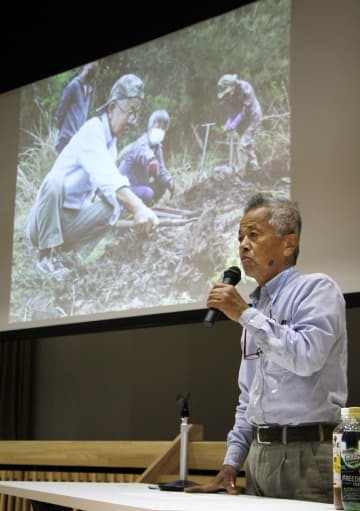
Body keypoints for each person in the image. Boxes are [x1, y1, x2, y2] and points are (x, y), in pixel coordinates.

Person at [186, 192, 348, 503]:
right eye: (240, 237)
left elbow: (306, 357)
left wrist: (246, 315)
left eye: (254, 235)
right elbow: (250, 398)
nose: (243, 244)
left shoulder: (316, 289)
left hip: (308, 454)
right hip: (259, 458)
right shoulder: (256, 308)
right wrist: (231, 463)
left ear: (289, 244)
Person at [26, 73, 159, 281]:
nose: (132, 121)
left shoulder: (112, 148)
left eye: (137, 114)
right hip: (43, 221)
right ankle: (45, 257)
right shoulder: (92, 130)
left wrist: (132, 208)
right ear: (112, 107)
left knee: (112, 204)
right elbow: (107, 176)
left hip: (69, 221)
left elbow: (108, 190)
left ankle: (69, 257)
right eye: (130, 111)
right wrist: (139, 207)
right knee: (54, 181)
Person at [118, 109, 175, 206]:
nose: (160, 130)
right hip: (125, 187)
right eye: (158, 126)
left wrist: (169, 180)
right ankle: (131, 207)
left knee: (162, 184)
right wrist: (151, 160)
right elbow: (144, 154)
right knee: (148, 193)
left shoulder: (157, 147)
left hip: (139, 185)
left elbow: (161, 169)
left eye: (163, 128)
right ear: (150, 126)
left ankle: (145, 205)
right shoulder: (141, 143)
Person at [217, 73, 262, 172]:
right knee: (248, 144)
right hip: (241, 120)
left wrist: (235, 123)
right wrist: (228, 122)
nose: (227, 94)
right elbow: (230, 111)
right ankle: (255, 169)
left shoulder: (246, 88)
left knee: (243, 145)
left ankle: (239, 173)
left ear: (233, 86)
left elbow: (245, 110)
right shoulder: (227, 95)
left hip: (252, 117)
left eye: (228, 92)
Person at [54, 61, 98, 153]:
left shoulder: (89, 89)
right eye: (91, 65)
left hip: (77, 139)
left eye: (95, 66)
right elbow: (62, 109)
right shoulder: (74, 85)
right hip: (66, 138)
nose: (93, 68)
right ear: (84, 66)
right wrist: (59, 131)